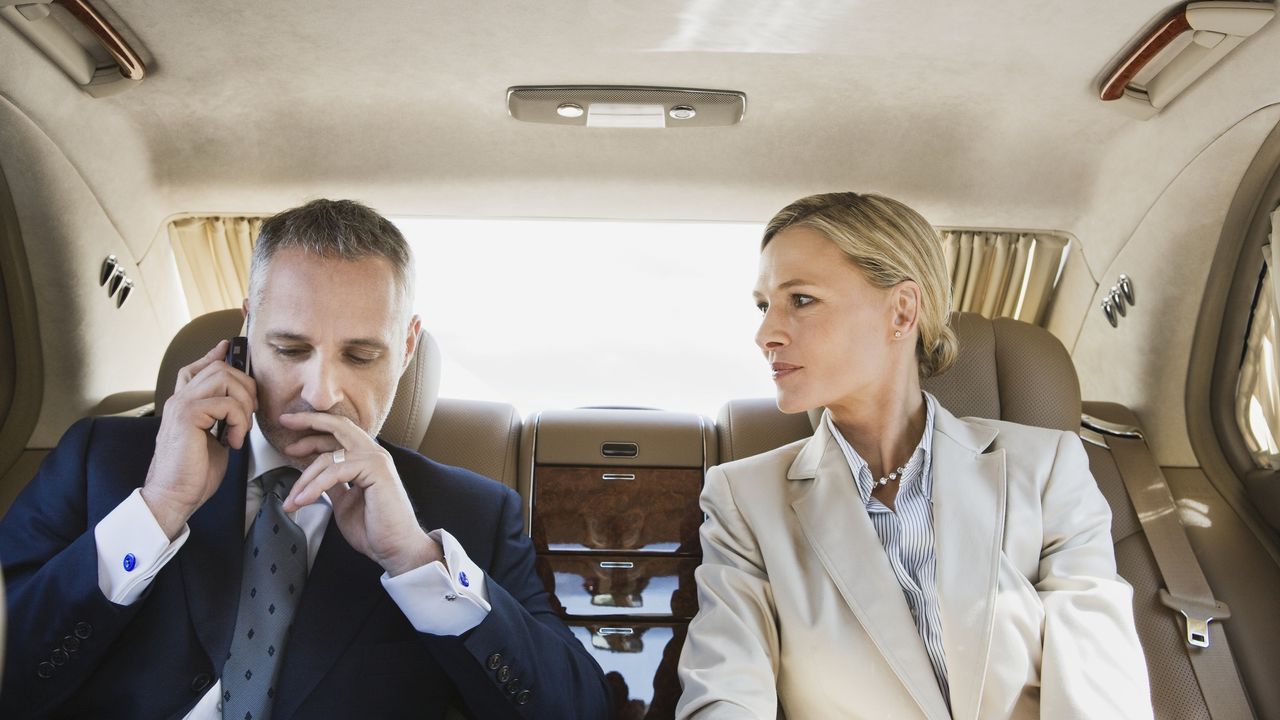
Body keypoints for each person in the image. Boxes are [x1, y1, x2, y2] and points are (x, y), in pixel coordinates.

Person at [0, 199, 612, 719]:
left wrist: (416, 561)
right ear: (248, 325)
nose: (321, 393)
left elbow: (577, 708)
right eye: (290, 348)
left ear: (405, 346)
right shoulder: (99, 461)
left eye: (362, 356)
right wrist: (157, 510)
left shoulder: (472, 516)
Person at [675, 192, 1152, 719]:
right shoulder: (743, 499)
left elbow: (1099, 684)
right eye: (764, 306)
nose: (765, 334)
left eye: (801, 300)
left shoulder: (1046, 470)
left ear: (901, 310)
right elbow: (727, 693)